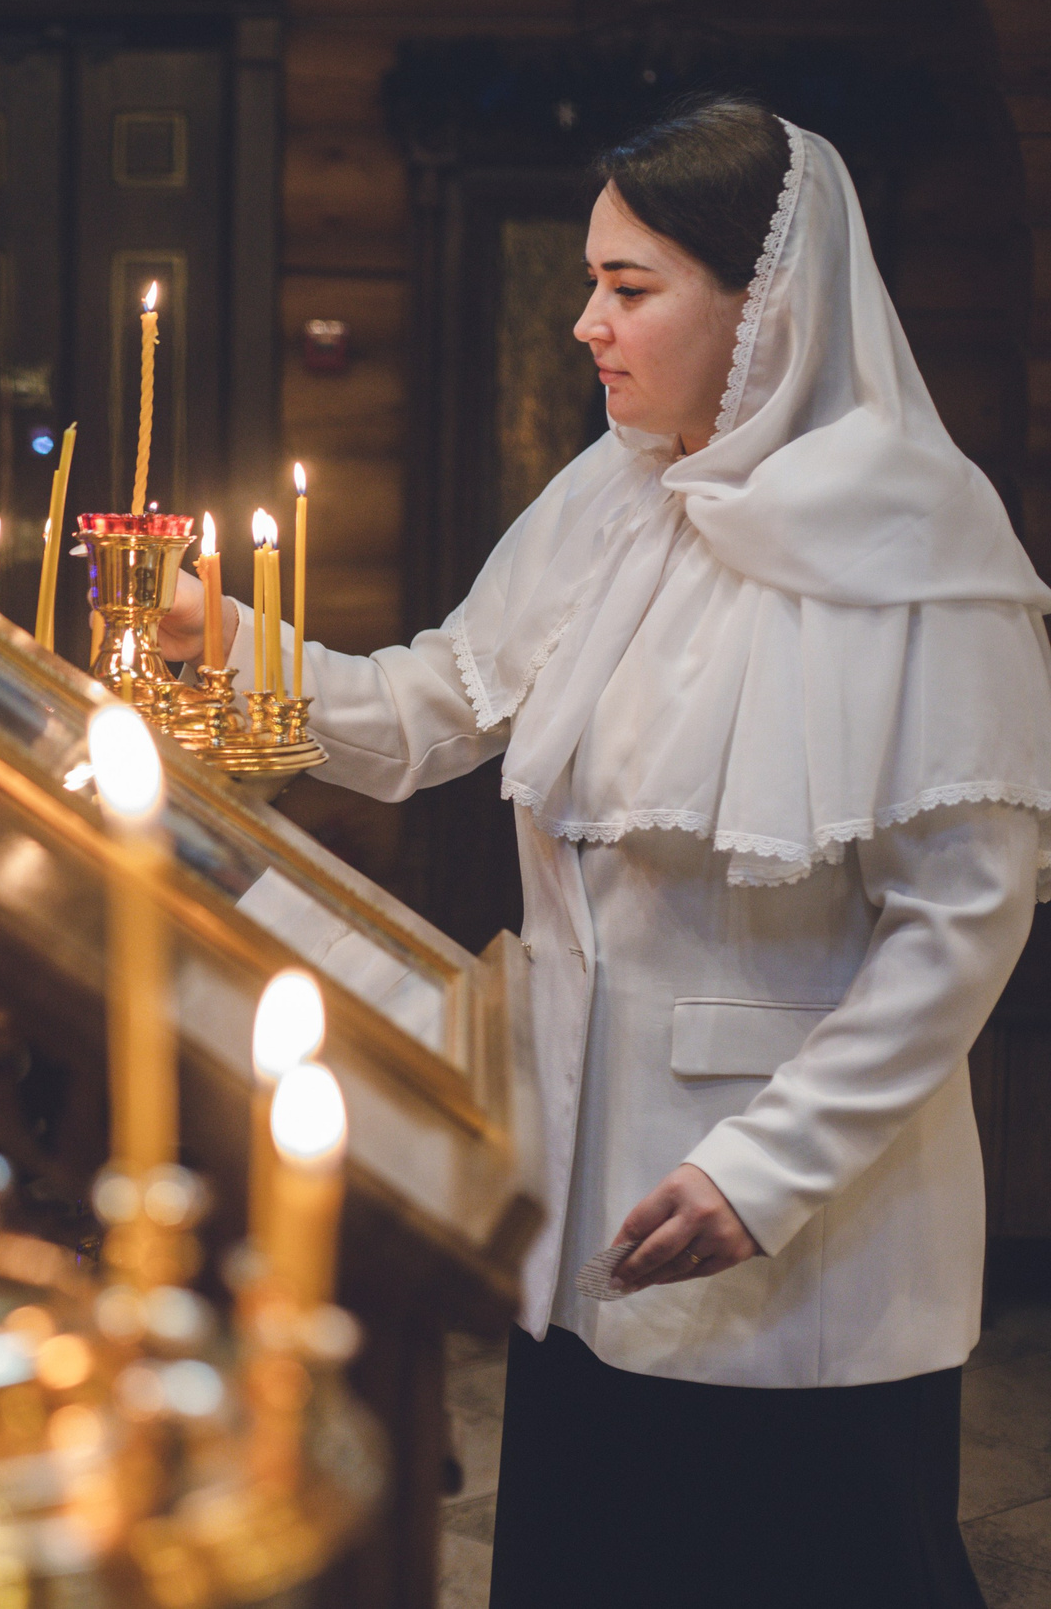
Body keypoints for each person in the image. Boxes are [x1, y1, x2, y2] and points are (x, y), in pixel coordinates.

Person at [161, 98, 1051, 1607]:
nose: (587, 323)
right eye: (591, 282)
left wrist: (761, 1171)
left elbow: (960, 924)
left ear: (766, 306)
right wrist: (222, 637)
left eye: (630, 288)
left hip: (796, 1233)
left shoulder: (923, 536)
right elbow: (429, 707)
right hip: (585, 1198)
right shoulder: (613, 494)